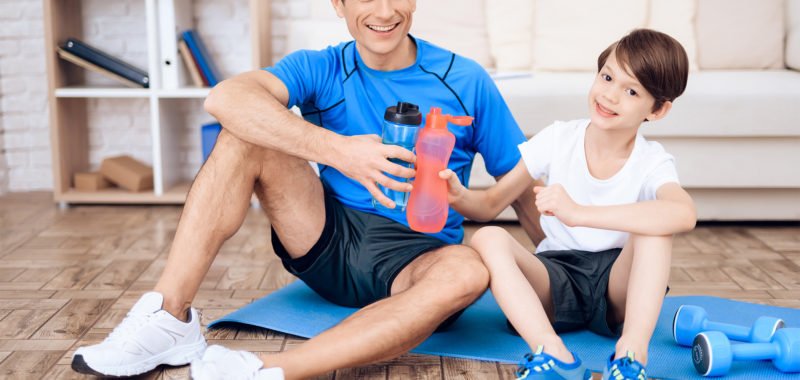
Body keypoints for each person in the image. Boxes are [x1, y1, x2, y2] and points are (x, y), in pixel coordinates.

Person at [70, 1, 542, 379]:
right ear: (338, 4)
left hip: (420, 258)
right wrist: (341, 151)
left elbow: (520, 181)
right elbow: (225, 98)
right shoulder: (322, 66)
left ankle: (270, 370)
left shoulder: (464, 79)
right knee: (245, 129)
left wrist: (564, 268)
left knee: (468, 270)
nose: (384, 12)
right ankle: (170, 317)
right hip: (328, 238)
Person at [438, 29, 696, 380]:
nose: (609, 95)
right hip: (555, 276)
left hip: (616, 286)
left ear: (658, 109)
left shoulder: (652, 161)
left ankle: (630, 356)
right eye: (607, 77)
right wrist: (458, 195)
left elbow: (684, 214)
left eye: (631, 91)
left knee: (656, 228)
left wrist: (579, 214)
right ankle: (553, 353)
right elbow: (488, 206)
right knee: (486, 237)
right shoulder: (558, 138)